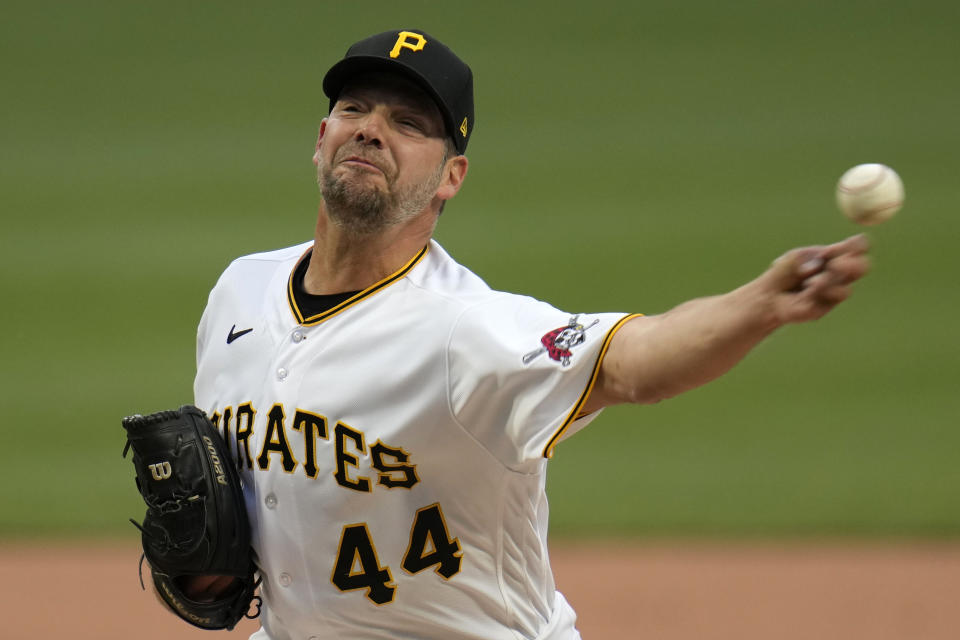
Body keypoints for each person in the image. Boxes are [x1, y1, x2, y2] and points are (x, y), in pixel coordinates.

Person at [190, 29, 870, 640]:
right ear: (321, 136)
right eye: (354, 109)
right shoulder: (241, 292)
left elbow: (632, 364)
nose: (371, 130)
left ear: (449, 177)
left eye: (408, 123)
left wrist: (759, 304)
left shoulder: (468, 331)